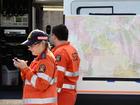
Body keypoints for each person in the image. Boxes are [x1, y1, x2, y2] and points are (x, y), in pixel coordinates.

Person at [13, 29, 57, 105]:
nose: (29, 48)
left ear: (41, 43)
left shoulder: (46, 60)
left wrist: (25, 68)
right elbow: (28, 79)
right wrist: (23, 68)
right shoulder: (40, 59)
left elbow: (41, 85)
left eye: (31, 45)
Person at [50, 24, 80, 105]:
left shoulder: (60, 52)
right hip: (70, 93)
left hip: (61, 94)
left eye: (52, 34)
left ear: (54, 36)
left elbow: (58, 75)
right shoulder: (72, 49)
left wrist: (52, 93)